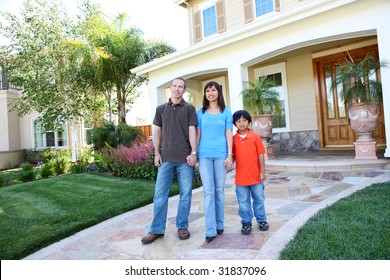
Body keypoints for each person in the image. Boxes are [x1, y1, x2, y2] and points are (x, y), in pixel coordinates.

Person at [141, 77, 198, 245]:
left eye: (181, 87)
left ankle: (182, 226)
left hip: (184, 159)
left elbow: (192, 131)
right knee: (160, 195)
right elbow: (157, 133)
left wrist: (194, 153)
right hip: (165, 159)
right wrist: (156, 153)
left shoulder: (189, 109)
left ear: (184, 90)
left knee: (186, 194)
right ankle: (157, 229)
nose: (177, 89)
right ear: (170, 88)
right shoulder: (160, 109)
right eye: (174, 86)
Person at [196, 81, 233, 243]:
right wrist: (194, 152)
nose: (210, 93)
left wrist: (230, 154)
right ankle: (210, 229)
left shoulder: (226, 112)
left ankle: (220, 224)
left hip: (221, 155)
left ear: (219, 92)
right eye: (207, 90)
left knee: (219, 191)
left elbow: (229, 133)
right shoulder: (201, 112)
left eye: (213, 90)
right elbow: (198, 133)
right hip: (204, 155)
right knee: (209, 192)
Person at [230, 110, 269, 235]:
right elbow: (232, 156)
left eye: (244, 120)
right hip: (241, 179)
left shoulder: (255, 137)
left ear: (249, 122)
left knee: (259, 199)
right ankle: (246, 222)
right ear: (235, 123)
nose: (241, 123)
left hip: (256, 177)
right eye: (238, 121)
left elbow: (261, 155)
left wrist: (262, 172)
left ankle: (262, 220)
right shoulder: (233, 140)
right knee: (243, 202)